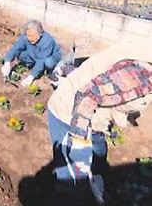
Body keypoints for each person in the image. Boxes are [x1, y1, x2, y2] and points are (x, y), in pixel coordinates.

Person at [47, 39, 152, 203]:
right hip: (67, 114)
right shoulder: (141, 75)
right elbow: (86, 96)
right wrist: (79, 143)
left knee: (98, 154)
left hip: (95, 118)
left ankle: (95, 183)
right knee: (74, 176)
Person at [1, 20, 62, 87]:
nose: (29, 38)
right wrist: (7, 62)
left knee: (48, 62)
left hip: (49, 57)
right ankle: (35, 67)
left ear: (40, 34)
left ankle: (48, 71)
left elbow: (41, 60)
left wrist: (31, 77)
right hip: (35, 54)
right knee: (21, 55)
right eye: (28, 35)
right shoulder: (26, 36)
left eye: (32, 36)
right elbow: (16, 47)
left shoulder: (47, 41)